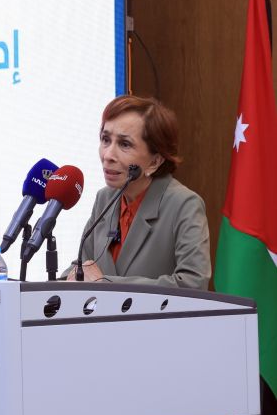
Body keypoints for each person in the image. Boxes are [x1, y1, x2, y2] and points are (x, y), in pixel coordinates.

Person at [63, 95, 210, 289]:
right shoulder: (105, 198)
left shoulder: (184, 204)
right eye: (105, 140)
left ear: (155, 161)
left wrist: (105, 283)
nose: (108, 155)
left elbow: (193, 284)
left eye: (124, 144)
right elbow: (84, 266)